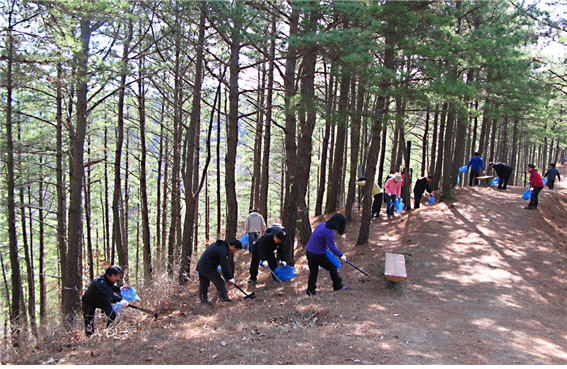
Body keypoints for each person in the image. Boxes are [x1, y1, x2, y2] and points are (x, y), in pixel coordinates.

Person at [305, 213, 350, 295]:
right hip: (317, 254)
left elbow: (320, 240)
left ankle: (310, 290)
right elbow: (332, 247)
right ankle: (338, 286)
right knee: (332, 267)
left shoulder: (322, 225)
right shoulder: (328, 231)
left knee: (313, 271)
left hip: (309, 251)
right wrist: (341, 255)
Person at [81, 265, 128, 337]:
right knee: (89, 322)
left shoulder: (108, 280)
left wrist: (119, 288)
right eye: (115, 276)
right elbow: (108, 291)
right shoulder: (99, 282)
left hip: (101, 299)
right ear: (108, 276)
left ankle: (107, 333)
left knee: (112, 315)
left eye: (118, 276)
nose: (117, 279)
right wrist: (120, 300)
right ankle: (90, 340)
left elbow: (110, 287)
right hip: (89, 301)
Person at [196, 239, 243, 303]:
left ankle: (203, 300)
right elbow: (224, 265)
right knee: (220, 281)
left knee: (204, 283)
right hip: (207, 267)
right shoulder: (223, 250)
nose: (234, 252)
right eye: (236, 250)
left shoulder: (220, 246)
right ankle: (225, 299)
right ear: (232, 246)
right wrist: (229, 277)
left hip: (201, 266)